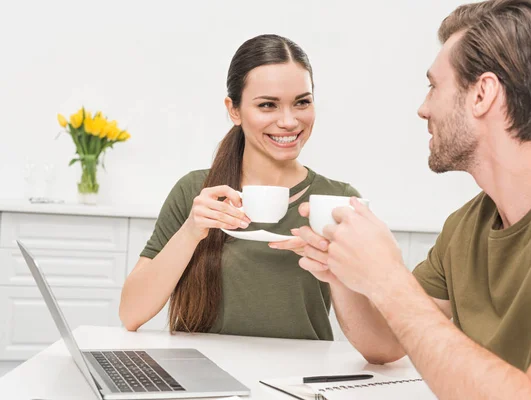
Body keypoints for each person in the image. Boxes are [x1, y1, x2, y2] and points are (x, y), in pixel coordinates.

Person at [280, 0, 531, 398]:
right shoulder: (468, 226)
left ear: (482, 94)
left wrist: (389, 279)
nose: (423, 108)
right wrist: (343, 271)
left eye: (434, 86)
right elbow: (385, 344)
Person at [119, 34, 360, 340]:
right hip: (203, 375)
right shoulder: (196, 191)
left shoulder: (336, 200)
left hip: (298, 379)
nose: (288, 121)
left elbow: (376, 347)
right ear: (234, 110)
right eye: (267, 105)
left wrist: (338, 270)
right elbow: (130, 314)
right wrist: (192, 231)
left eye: (302, 102)